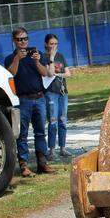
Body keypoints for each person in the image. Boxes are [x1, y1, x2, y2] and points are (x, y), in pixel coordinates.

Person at [4, 27, 53, 177]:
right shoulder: (10, 58)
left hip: (39, 98)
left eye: (25, 39)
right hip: (22, 100)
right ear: (14, 41)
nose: (23, 42)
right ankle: (24, 165)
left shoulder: (35, 55)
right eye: (19, 39)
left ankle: (42, 163)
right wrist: (18, 58)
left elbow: (45, 73)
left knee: (40, 132)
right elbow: (11, 73)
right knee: (22, 134)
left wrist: (37, 61)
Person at [42, 33, 72, 161]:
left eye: (55, 44)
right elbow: (49, 73)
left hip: (62, 92)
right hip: (51, 92)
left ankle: (63, 148)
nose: (54, 46)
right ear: (46, 44)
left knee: (63, 120)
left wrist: (58, 75)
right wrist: (52, 57)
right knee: (53, 121)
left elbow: (68, 73)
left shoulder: (61, 56)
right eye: (51, 44)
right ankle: (51, 149)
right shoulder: (43, 57)